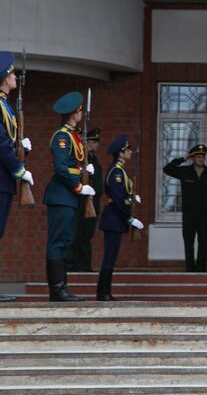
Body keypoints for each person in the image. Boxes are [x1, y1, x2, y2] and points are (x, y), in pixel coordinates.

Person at [43, 91, 96, 302]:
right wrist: (78, 187)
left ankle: (62, 288)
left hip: (68, 198)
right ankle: (57, 290)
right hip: (62, 195)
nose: (82, 114)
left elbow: (72, 165)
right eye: (80, 111)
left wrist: (86, 172)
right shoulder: (62, 136)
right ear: (74, 113)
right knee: (58, 242)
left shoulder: (73, 135)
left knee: (66, 240)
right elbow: (61, 168)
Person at [0, 52, 33, 302]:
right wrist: (18, 168)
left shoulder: (6, 105)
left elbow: (8, 141)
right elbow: (1, 144)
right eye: (11, 74)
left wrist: (22, 147)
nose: (14, 77)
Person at [96, 135, 143, 301]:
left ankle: (104, 292)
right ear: (121, 153)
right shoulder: (117, 171)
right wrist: (129, 218)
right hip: (114, 218)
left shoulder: (120, 170)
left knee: (111, 257)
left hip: (115, 218)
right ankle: (103, 293)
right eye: (127, 150)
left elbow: (123, 194)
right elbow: (117, 199)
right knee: (109, 257)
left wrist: (131, 198)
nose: (130, 152)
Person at [163, 144, 207, 272]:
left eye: (202, 157)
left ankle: (201, 266)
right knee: (189, 241)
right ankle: (190, 267)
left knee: (203, 241)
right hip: (189, 213)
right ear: (193, 158)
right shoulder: (185, 171)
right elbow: (167, 169)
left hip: (204, 213)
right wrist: (184, 158)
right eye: (198, 156)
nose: (201, 159)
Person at [69, 128, 103, 272]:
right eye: (94, 141)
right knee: (80, 233)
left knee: (87, 233)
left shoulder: (93, 159)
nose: (97, 144)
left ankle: (85, 264)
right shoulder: (81, 158)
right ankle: (77, 265)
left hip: (93, 200)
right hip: (83, 200)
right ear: (86, 142)